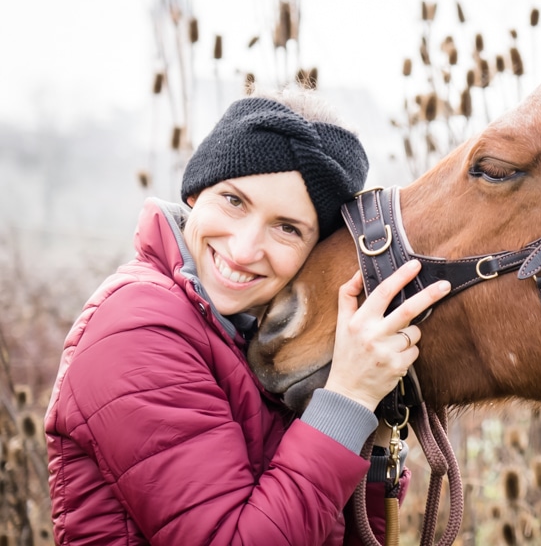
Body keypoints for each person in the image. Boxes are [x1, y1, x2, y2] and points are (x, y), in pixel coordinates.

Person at [44, 88, 451, 545]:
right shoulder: (137, 331)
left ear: (316, 251)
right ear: (197, 192)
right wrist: (347, 400)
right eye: (234, 201)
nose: (242, 249)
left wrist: (371, 420)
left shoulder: (257, 335)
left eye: (287, 228)